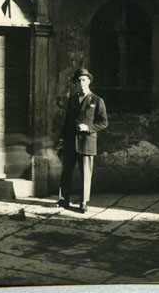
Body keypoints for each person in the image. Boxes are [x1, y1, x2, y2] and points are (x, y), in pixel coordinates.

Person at [56, 68, 108, 213]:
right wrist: (61, 140)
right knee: (66, 171)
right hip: (70, 141)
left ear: (89, 81)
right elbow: (67, 122)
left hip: (87, 142)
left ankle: (84, 202)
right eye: (78, 80)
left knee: (85, 173)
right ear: (76, 83)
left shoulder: (97, 100)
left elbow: (104, 122)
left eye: (84, 80)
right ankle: (64, 199)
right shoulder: (72, 99)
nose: (81, 83)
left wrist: (89, 128)